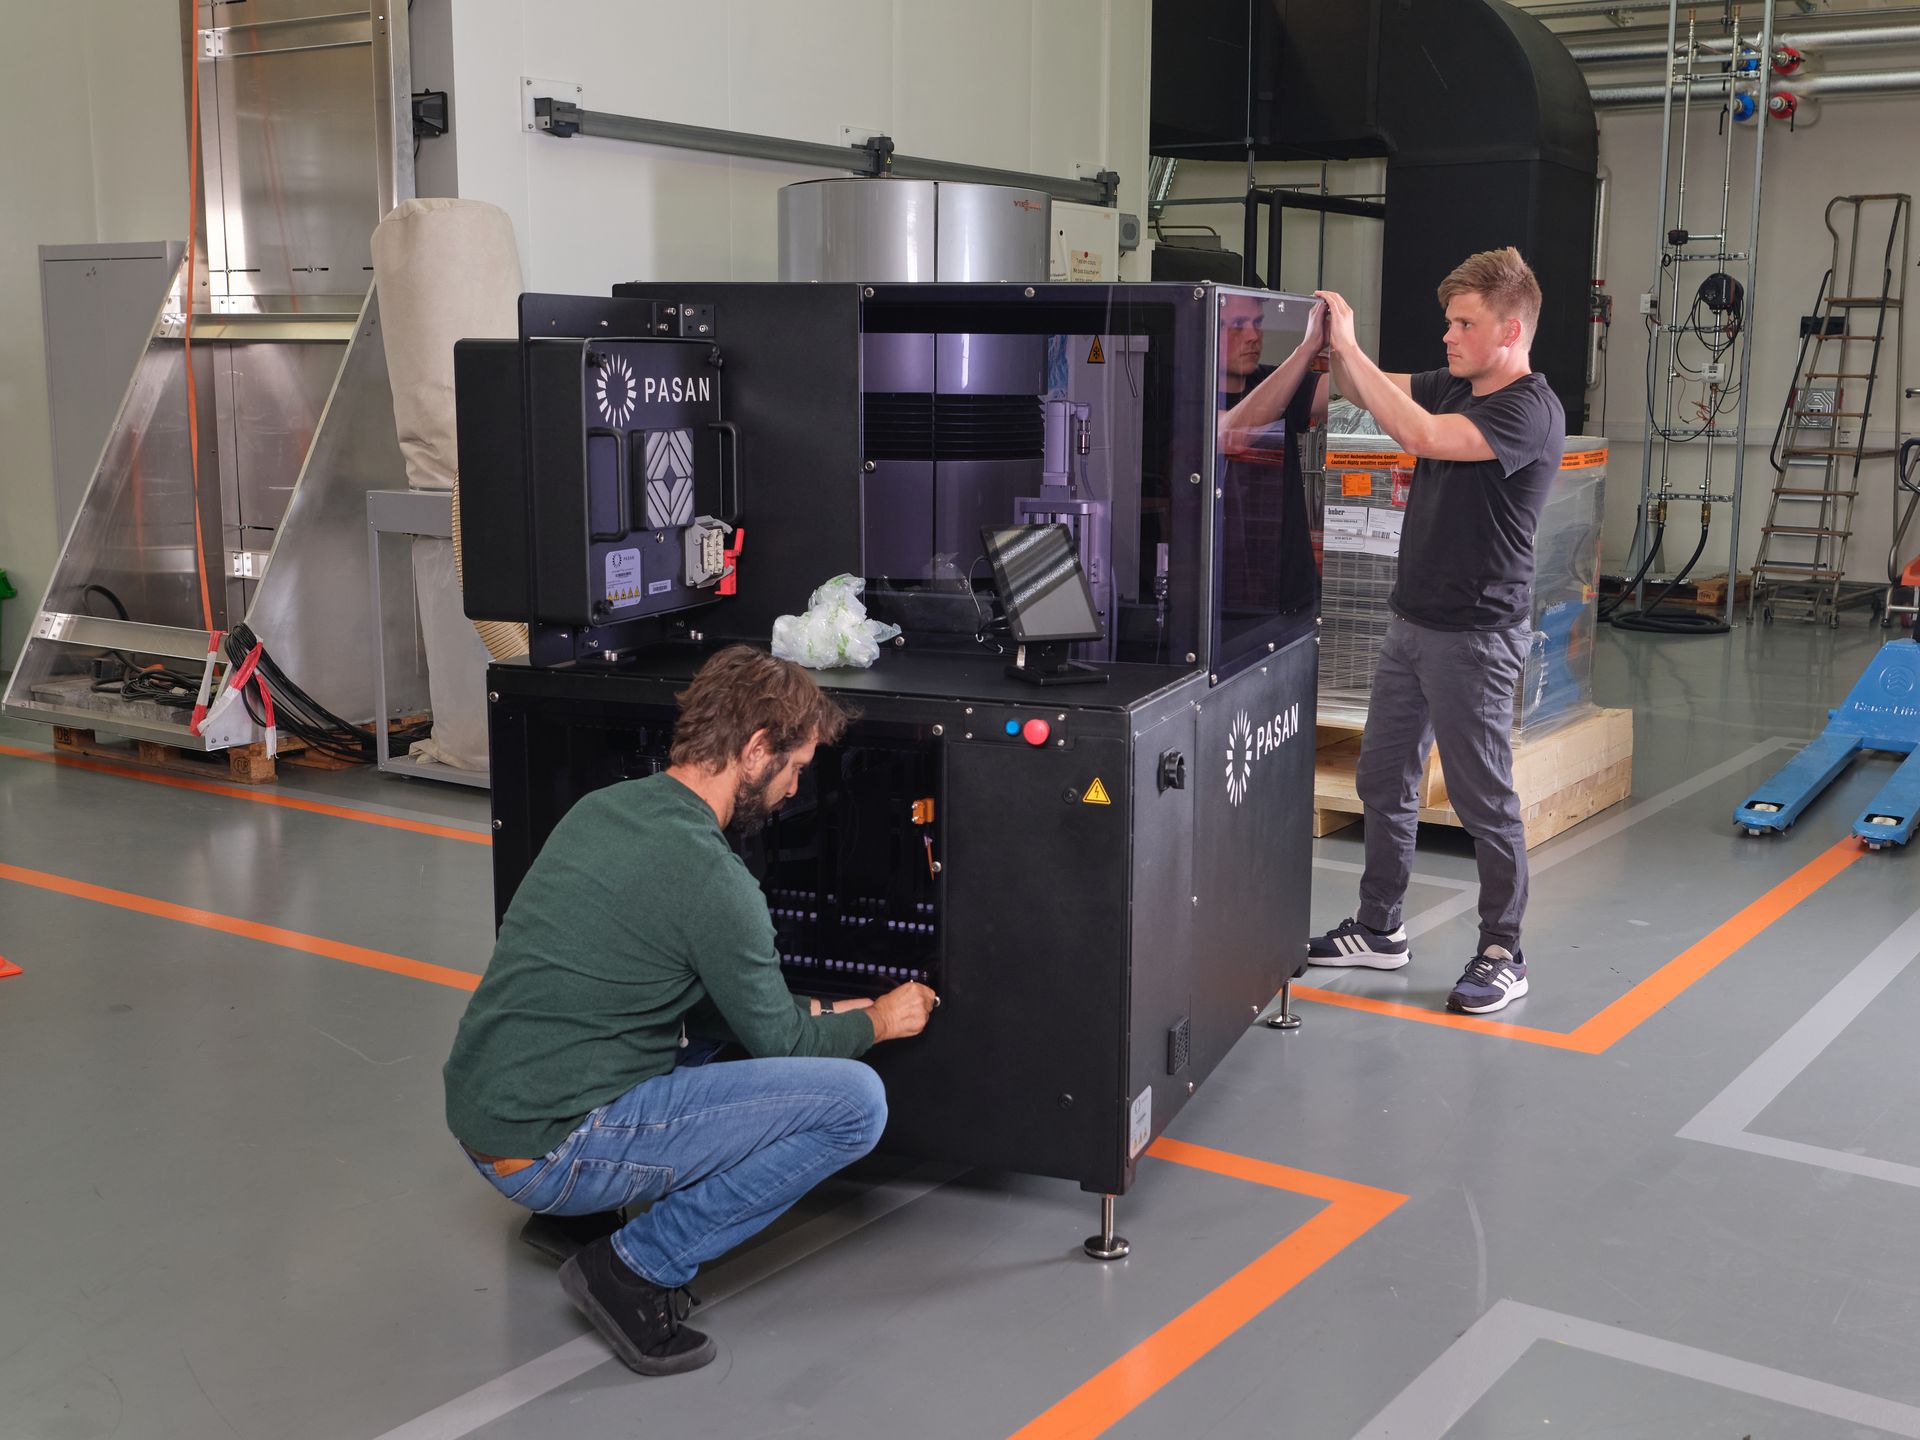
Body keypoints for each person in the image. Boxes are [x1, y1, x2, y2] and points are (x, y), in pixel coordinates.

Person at [443, 646, 938, 1376]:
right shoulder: (715, 880)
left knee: (708, 1035)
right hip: (548, 1151)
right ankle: (634, 1269)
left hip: (488, 1114)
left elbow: (704, 1004)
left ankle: (574, 1220)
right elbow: (785, 1047)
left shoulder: (604, 809)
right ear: (757, 749)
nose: (796, 788)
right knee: (856, 1105)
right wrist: (879, 1021)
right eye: (796, 767)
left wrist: (818, 1007)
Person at [1305, 247, 1565, 1015]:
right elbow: (1368, 387)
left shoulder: (1528, 410)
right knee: (1383, 780)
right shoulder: (1458, 382)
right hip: (1411, 623)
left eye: (1464, 324)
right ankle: (1379, 928)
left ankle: (1504, 951)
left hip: (1476, 636)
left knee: (1484, 800)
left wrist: (1350, 345)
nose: (1448, 336)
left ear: (1510, 330)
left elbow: (1419, 434)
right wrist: (1327, 346)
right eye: (1448, 322)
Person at [1215, 292, 1330, 634]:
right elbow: (1229, 434)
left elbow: (1357, 392)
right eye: (1238, 325)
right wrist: (1306, 349)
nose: (1253, 336)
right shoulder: (1186, 392)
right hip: (1224, 605)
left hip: (1292, 594)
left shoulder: (1275, 381)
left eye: (1258, 323)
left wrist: (1347, 349)